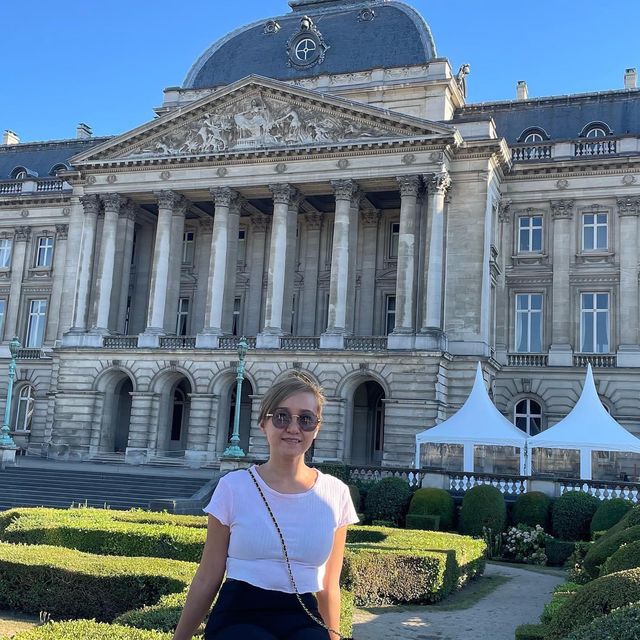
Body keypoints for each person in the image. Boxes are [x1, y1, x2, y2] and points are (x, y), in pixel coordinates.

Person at [172, 373, 359, 640]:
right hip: (239, 613)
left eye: (305, 419)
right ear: (264, 423)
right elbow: (208, 575)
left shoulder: (336, 493)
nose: (293, 428)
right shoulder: (233, 487)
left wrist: (335, 635)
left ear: (317, 428)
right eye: (282, 417)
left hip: (304, 615)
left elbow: (329, 585)